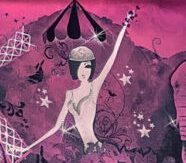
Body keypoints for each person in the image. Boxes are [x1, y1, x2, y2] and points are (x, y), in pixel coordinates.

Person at [26, 13, 133, 153]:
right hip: (86, 151)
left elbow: (112, 58)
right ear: (75, 68)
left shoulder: (94, 87)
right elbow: (56, 127)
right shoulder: (70, 94)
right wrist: (27, 147)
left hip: (98, 147)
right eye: (80, 66)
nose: (84, 70)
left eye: (87, 66)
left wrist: (124, 26)